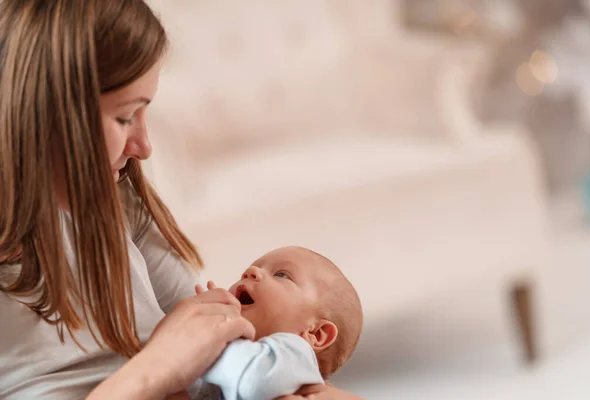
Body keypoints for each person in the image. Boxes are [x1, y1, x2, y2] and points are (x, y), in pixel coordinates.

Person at [0, 1, 363, 399]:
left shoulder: (115, 200)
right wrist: (159, 365)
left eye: (144, 113)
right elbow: (183, 349)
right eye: (125, 117)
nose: (143, 147)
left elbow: (218, 342)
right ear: (42, 110)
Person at [191, 246, 363, 400]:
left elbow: (254, 375)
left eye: (281, 274)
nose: (250, 271)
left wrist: (207, 334)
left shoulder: (295, 352)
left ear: (315, 333)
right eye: (254, 267)